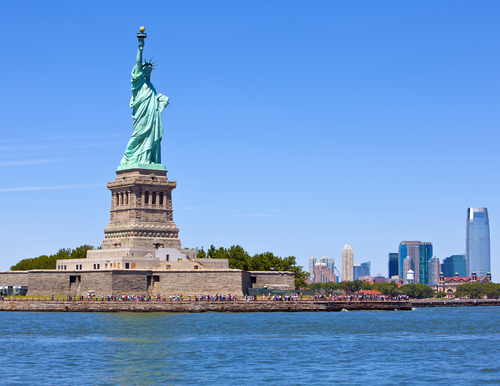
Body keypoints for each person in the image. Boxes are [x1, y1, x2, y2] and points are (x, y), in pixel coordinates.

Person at [120, 36, 169, 166]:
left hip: (152, 116)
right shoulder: (139, 83)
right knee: (139, 135)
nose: (148, 72)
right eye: (145, 70)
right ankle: (128, 157)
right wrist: (140, 49)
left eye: (150, 71)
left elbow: (158, 99)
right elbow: (137, 65)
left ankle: (147, 159)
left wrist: (162, 100)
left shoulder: (151, 87)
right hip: (142, 114)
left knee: (151, 136)